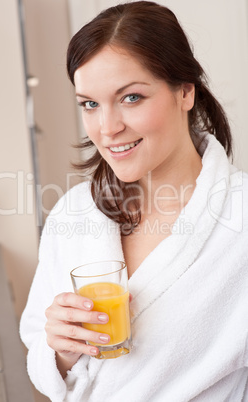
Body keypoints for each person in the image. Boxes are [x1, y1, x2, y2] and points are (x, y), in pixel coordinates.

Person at [20, 2, 248, 401]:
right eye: (90, 104)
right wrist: (61, 351)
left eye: (131, 98)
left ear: (185, 92)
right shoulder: (73, 213)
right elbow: (42, 353)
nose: (107, 128)